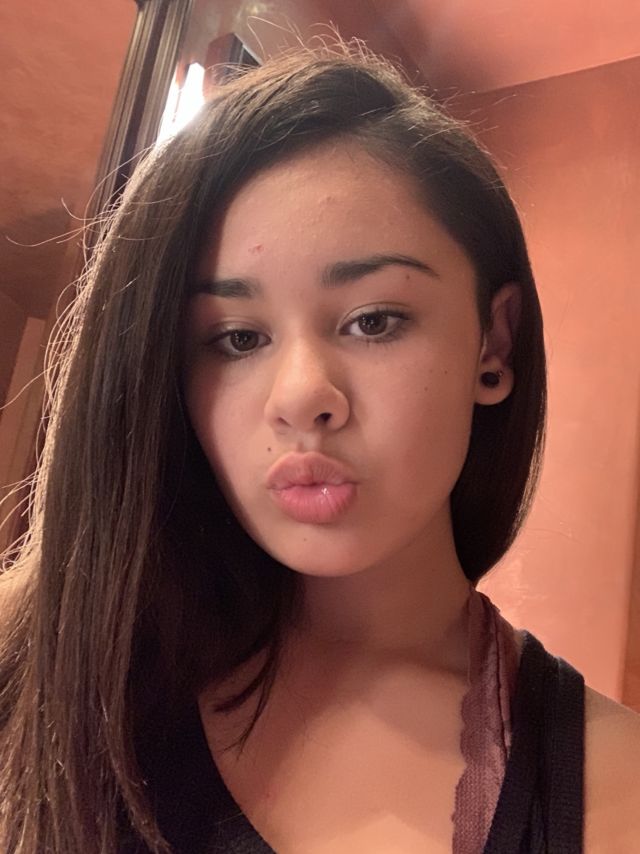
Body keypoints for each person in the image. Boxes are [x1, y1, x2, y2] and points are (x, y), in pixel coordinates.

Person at [1, 42, 639, 854]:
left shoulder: (613, 790)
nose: (302, 395)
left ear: (494, 345)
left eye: (374, 320)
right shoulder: (34, 683)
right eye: (236, 338)